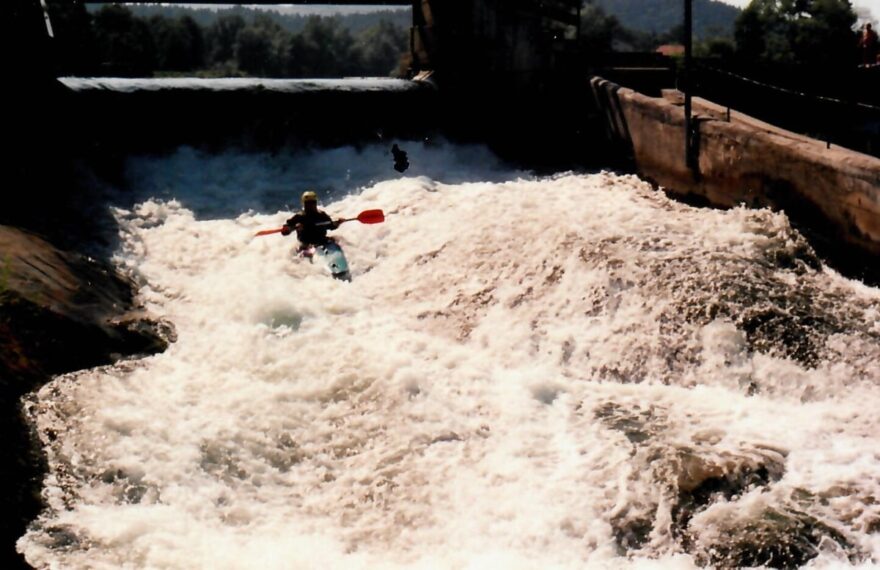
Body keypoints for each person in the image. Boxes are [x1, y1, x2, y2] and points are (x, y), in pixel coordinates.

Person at [281, 191, 345, 249]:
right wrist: (290, 228)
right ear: (304, 204)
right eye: (308, 203)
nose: (310, 205)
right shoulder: (299, 217)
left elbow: (331, 226)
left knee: (336, 239)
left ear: (316, 203)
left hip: (321, 241)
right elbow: (285, 230)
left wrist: (338, 222)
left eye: (312, 203)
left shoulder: (322, 215)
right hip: (306, 244)